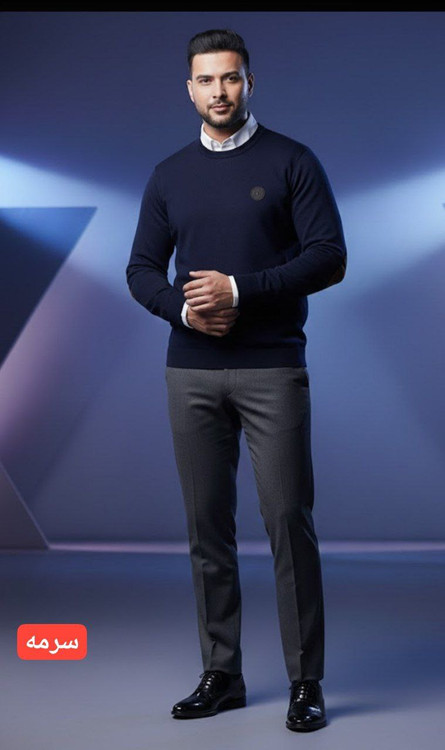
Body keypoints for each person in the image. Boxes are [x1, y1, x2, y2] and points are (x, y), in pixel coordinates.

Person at [126, 28, 347, 733]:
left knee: (287, 522)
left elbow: (329, 256)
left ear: (250, 82)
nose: (218, 91)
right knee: (206, 528)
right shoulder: (168, 174)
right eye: (206, 80)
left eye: (230, 78)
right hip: (190, 371)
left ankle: (305, 681)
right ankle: (221, 673)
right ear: (189, 89)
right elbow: (140, 269)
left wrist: (239, 290)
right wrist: (186, 311)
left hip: (272, 366)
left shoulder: (292, 161)